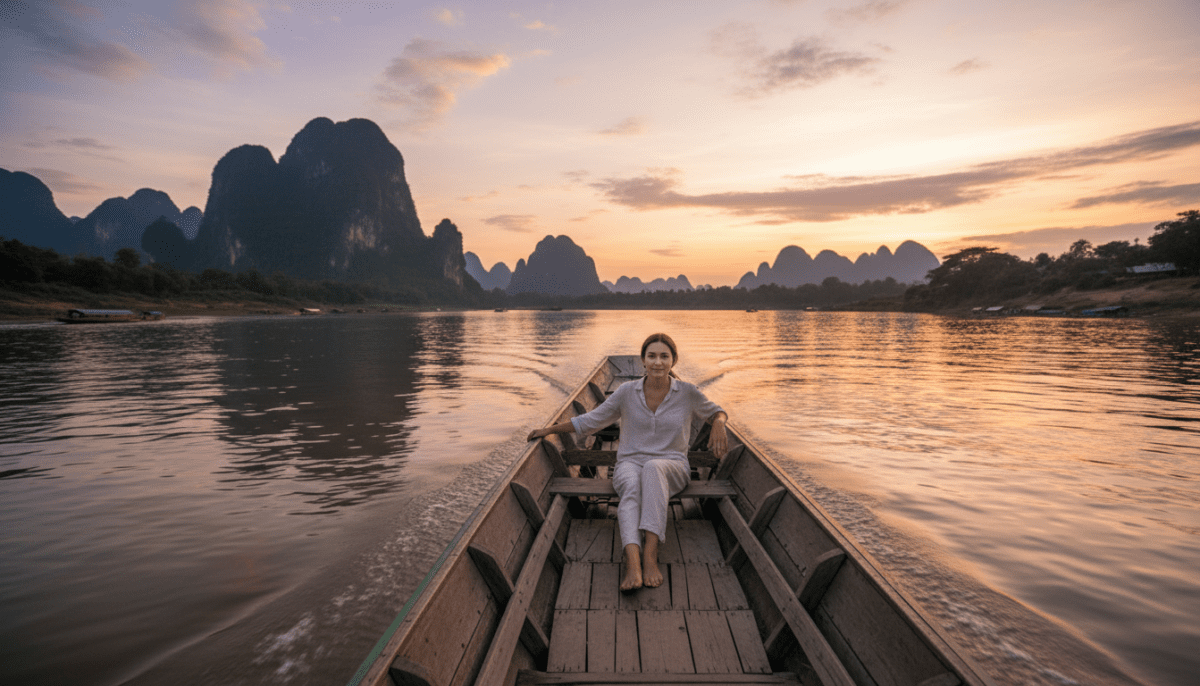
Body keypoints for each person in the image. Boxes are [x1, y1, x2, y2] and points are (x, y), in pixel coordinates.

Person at [526, 333, 728, 592]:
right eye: (651, 356)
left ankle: (650, 555)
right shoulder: (626, 392)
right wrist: (550, 429)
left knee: (654, 468)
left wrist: (719, 422)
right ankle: (632, 560)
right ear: (643, 360)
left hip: (673, 466)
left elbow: (717, 412)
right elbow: (591, 420)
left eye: (664, 356)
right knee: (631, 486)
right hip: (630, 463)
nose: (657, 362)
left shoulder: (687, 392)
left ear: (673, 361)